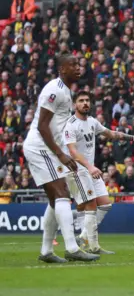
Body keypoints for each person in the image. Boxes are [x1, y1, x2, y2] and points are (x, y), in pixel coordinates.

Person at [23, 54, 99, 263]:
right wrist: (60, 154)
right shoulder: (54, 90)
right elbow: (42, 126)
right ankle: (72, 248)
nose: (78, 68)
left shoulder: (66, 91)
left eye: (79, 64)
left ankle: (47, 251)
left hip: (49, 148)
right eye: (73, 65)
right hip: (41, 147)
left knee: (55, 199)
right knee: (62, 193)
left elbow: (58, 129)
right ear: (62, 69)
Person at [63, 91, 134, 254]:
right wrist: (90, 167)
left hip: (91, 171)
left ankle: (83, 237)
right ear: (74, 105)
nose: (85, 103)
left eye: (87, 100)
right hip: (78, 171)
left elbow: (112, 134)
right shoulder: (70, 124)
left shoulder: (92, 121)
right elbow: (73, 152)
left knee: (105, 204)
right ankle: (93, 246)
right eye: (81, 101)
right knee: (90, 205)